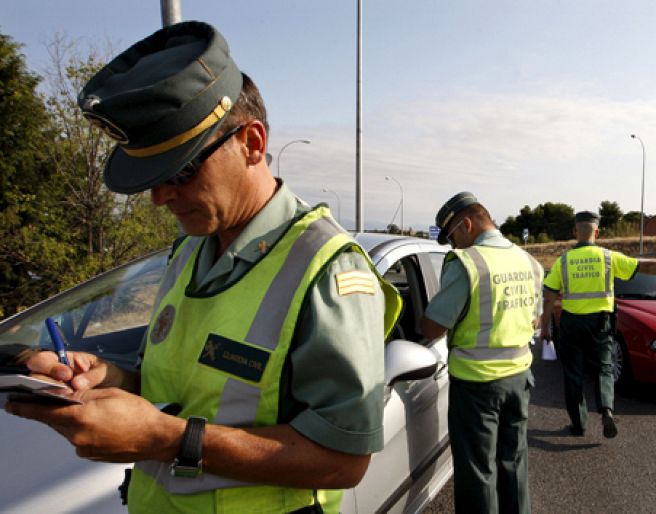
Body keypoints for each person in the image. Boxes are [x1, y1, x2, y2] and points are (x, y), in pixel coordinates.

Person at [4, 21, 401, 514]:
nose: (159, 197)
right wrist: (103, 375)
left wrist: (168, 439)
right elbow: (174, 386)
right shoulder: (190, 250)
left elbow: (344, 461)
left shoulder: (328, 271)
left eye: (181, 170)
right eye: (153, 177)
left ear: (252, 143)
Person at [420, 192, 543, 514]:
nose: (455, 246)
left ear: (467, 224)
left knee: (478, 472)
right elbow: (535, 319)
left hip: (477, 385)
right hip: (519, 380)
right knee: (514, 461)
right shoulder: (528, 261)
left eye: (453, 237)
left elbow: (433, 328)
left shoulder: (468, 263)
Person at [539, 211, 656, 439]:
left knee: (573, 374)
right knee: (604, 368)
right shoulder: (609, 258)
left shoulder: (564, 261)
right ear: (597, 232)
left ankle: (578, 424)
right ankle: (606, 410)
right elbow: (650, 265)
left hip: (572, 324)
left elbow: (549, 297)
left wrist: (545, 329)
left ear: (574, 232)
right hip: (601, 323)